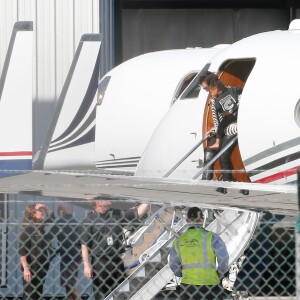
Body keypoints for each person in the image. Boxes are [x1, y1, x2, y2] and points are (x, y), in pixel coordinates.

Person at [79, 199, 149, 300]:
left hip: (116, 260)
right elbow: (84, 245)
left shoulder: (115, 214)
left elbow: (137, 213)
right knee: (102, 294)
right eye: (104, 199)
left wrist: (147, 201)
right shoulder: (88, 220)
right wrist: (86, 265)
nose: (109, 199)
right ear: (98, 203)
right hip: (100, 262)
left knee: (121, 291)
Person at [169, 207, 229, 300]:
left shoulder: (178, 241)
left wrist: (181, 274)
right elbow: (224, 259)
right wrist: (219, 274)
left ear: (187, 220)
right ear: (202, 219)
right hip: (209, 284)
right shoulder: (212, 237)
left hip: (188, 285)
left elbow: (173, 264)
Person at [200, 72, 242, 182]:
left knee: (223, 155)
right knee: (209, 154)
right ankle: (206, 181)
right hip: (221, 129)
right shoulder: (213, 99)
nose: (206, 91)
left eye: (206, 88)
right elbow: (217, 119)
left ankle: (228, 181)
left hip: (232, 127)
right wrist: (213, 130)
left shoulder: (233, 92)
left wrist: (232, 113)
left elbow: (241, 110)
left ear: (213, 84)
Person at [19, 203, 55, 300]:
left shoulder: (40, 227)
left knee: (38, 294)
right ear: (33, 215)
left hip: (42, 267)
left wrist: (45, 207)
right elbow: (22, 252)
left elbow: (52, 218)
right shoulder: (27, 229)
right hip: (31, 268)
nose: (42, 212)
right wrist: (26, 268)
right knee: (30, 295)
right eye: (40, 211)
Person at [49, 203, 81, 300]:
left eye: (59, 212)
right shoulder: (76, 222)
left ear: (61, 211)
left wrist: (51, 249)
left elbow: (48, 237)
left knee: (69, 284)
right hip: (77, 256)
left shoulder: (60, 223)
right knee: (69, 283)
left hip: (67, 257)